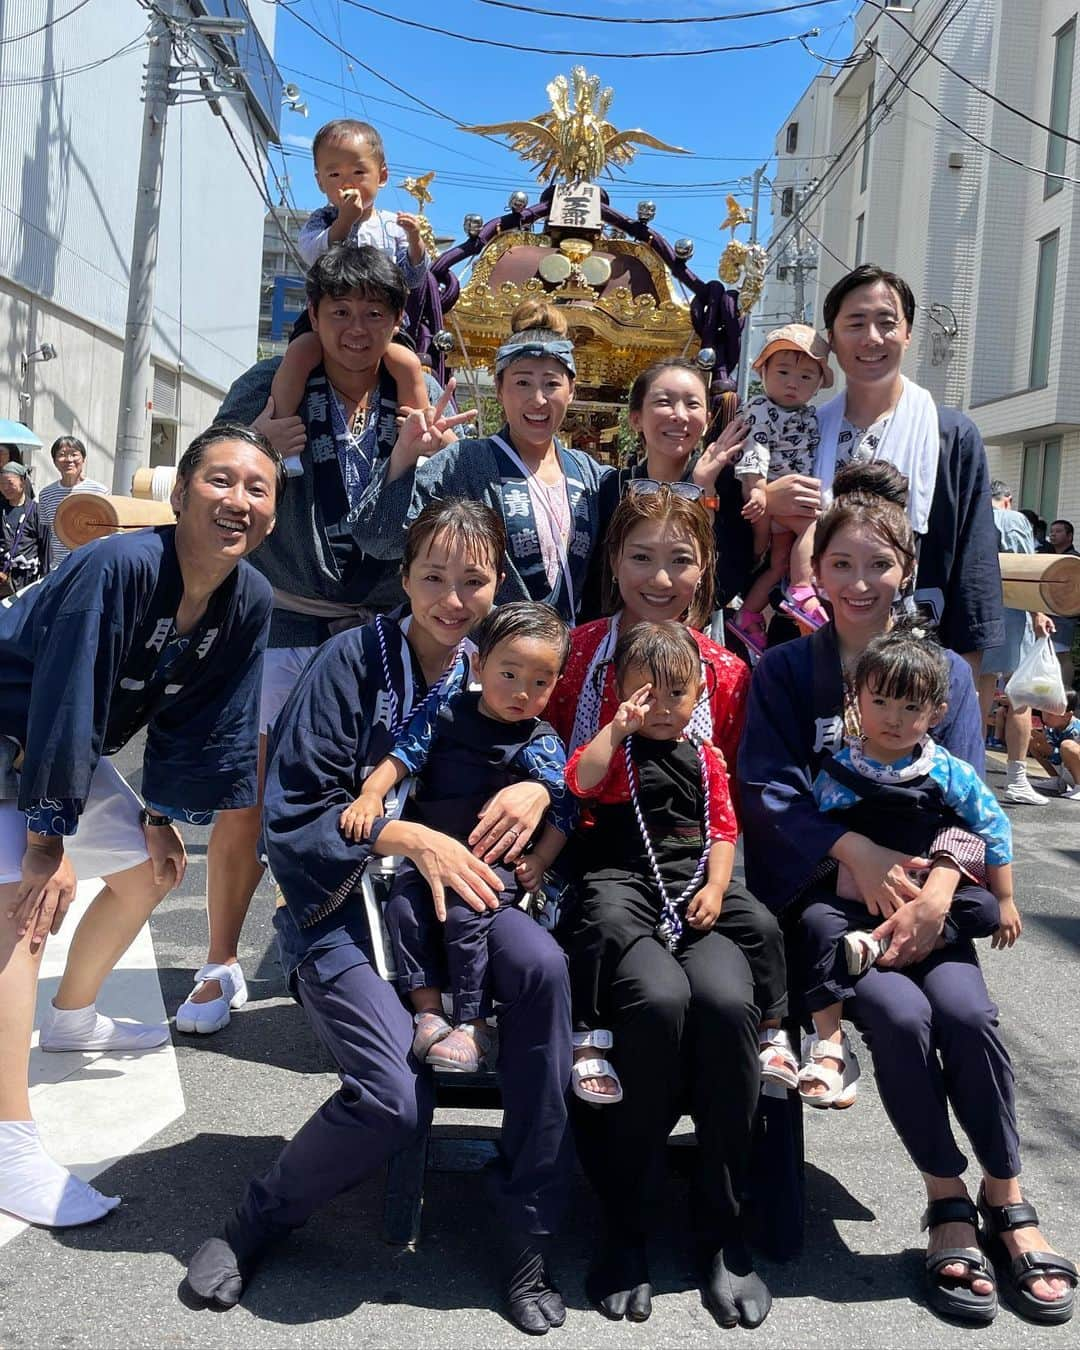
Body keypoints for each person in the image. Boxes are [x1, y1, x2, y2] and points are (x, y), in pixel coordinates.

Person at [186, 499, 575, 1336]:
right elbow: (292, 813)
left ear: (496, 583)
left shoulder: (501, 669)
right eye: (432, 576)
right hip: (344, 910)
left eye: (473, 580)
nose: (451, 598)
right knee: (394, 1097)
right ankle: (260, 1217)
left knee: (544, 972)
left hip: (462, 900)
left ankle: (526, 1230)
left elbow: (559, 763)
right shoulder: (348, 661)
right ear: (403, 578)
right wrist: (411, 836)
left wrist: (542, 787)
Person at [739, 461, 1075, 1326]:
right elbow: (766, 792)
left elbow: (969, 796)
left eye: (878, 564)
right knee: (899, 1016)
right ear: (821, 567)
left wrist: (941, 891)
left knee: (965, 1015)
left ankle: (1006, 1193)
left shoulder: (945, 678)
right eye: (841, 563)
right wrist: (851, 847)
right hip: (829, 902)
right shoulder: (785, 672)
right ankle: (947, 1202)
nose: (859, 583)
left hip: (929, 895)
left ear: (906, 567)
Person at [181, 244, 472, 1036]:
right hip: (283, 616)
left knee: (379, 790)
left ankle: (374, 957)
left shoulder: (419, 402)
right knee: (251, 790)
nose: (356, 328)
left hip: (379, 629)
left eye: (375, 313)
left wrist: (412, 460)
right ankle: (218, 962)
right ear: (311, 315)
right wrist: (260, 452)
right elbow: (206, 476)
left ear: (397, 320)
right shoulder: (262, 388)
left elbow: (400, 540)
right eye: (338, 312)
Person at [0, 425, 279, 1229]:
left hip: (62, 743)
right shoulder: (117, 566)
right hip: (14, 729)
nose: (239, 502)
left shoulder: (247, 598)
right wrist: (44, 841)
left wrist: (158, 814)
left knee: (150, 870)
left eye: (258, 489)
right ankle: (10, 1140)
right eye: (220, 482)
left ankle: (72, 1020)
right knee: (25, 912)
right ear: (181, 491)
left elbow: (198, 720)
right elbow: (62, 695)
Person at [546, 487, 782, 1330]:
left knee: (723, 1003)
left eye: (679, 559)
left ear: (705, 572)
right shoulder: (577, 651)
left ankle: (722, 1230)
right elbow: (541, 755)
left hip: (698, 876)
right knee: (656, 1000)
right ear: (612, 564)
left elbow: (731, 802)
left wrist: (722, 881)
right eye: (640, 556)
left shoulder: (725, 672)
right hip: (605, 876)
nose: (659, 575)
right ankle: (623, 1221)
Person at [341, 601, 575, 1072]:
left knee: (467, 914)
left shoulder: (538, 740)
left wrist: (542, 860)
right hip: (429, 849)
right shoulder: (447, 713)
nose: (521, 693)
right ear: (479, 663)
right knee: (404, 907)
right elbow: (404, 753)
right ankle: (427, 1012)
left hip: (491, 858)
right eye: (509, 675)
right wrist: (370, 794)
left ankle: (473, 1021)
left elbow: (566, 805)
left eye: (540, 683)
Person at [799, 625, 1020, 1109]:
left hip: (925, 895)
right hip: (857, 897)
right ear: (857, 702)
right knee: (815, 921)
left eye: (911, 708)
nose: (892, 719)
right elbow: (812, 831)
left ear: (937, 713)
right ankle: (829, 1040)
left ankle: (885, 947)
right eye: (880, 703)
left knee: (981, 908)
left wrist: (1005, 897)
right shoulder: (839, 770)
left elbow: (992, 825)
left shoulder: (946, 770)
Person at [564, 622, 778, 1114]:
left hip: (694, 872)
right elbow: (580, 781)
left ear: (700, 691)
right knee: (605, 921)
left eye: (676, 693)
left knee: (762, 926)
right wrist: (616, 729)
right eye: (646, 694)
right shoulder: (616, 748)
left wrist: (718, 887)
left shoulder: (707, 759)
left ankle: (773, 1030)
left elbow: (724, 830)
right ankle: (587, 1032)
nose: (660, 708)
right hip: (624, 868)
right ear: (619, 689)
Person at [767, 264, 1003, 668]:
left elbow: (973, 570)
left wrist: (969, 688)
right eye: (855, 323)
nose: (872, 338)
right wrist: (768, 500)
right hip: (809, 648)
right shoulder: (801, 430)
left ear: (908, 333)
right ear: (832, 342)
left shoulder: (950, 435)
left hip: (916, 666)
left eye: (887, 323)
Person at [350, 298, 610, 625]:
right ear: (499, 389)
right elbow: (378, 539)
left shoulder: (591, 475)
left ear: (571, 390)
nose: (538, 399)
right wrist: (404, 455)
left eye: (552, 384)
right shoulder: (465, 462)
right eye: (523, 383)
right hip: (485, 657)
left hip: (569, 657)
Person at [271, 120, 429, 443]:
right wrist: (344, 222)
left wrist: (415, 243)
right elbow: (313, 254)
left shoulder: (392, 226)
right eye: (334, 175)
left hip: (382, 325)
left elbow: (412, 277)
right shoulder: (323, 220)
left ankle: (420, 436)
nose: (348, 183)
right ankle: (280, 427)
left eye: (358, 173)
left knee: (409, 364)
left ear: (382, 176)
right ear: (319, 182)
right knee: (300, 353)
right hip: (328, 322)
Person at [578, 357, 749, 622]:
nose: (678, 415)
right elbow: (595, 585)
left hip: (686, 637)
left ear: (706, 420)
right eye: (663, 402)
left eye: (692, 404)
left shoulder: (727, 485)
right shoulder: (614, 487)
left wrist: (705, 489)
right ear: (636, 418)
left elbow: (724, 582)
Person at [728, 324, 833, 653]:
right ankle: (803, 591)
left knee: (779, 564)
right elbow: (754, 450)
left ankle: (748, 613)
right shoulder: (761, 409)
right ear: (763, 372)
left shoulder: (809, 416)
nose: (792, 383)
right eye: (783, 371)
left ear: (817, 386)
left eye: (805, 377)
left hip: (791, 501)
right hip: (774, 496)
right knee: (814, 526)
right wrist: (758, 490)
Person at [978, 482, 1056, 807]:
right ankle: (1017, 779)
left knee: (977, 697)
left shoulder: (972, 517)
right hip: (1010, 615)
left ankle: (973, 775)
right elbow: (1024, 570)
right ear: (1008, 500)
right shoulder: (1013, 521)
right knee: (1020, 697)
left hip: (975, 614)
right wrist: (1039, 613)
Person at [35, 436, 108, 570]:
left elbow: (108, 531)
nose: (69, 460)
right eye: (62, 455)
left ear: (83, 459)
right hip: (59, 567)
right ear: (55, 462)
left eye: (74, 454)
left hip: (91, 565)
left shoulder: (99, 491)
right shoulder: (46, 494)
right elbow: (46, 532)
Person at [0, 463, 49, 596]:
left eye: (10, 483)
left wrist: (45, 578)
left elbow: (45, 547)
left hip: (28, 579)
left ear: (23, 481)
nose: (5, 488)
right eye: (1, 483)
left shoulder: (37, 511)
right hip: (2, 578)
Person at [1039, 517, 1077, 688]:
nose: (1053, 535)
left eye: (1058, 531)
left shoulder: (1073, 559)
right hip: (1048, 610)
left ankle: (1067, 693)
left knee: (1062, 655)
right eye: (1051, 532)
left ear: (1069, 536)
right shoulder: (1049, 555)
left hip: (1065, 613)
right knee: (1048, 655)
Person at [1030, 690, 1080, 799]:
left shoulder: (1075, 730)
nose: (1045, 717)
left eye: (1050, 714)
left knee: (1068, 746)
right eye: (1044, 711)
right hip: (1066, 772)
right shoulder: (1051, 729)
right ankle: (1056, 780)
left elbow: (1064, 757)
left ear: (1067, 716)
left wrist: (1050, 749)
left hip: (1075, 772)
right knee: (1033, 742)